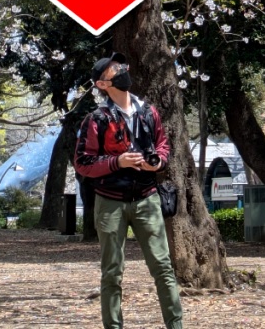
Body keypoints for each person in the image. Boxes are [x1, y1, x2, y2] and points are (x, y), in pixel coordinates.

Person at [74, 52, 184, 329]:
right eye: (114, 70)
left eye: (122, 66)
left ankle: (176, 325)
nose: (122, 71)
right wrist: (117, 162)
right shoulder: (97, 119)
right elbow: (83, 162)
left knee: (163, 267)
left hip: (147, 198)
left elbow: (163, 146)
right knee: (112, 272)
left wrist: (157, 162)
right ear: (102, 84)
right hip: (110, 202)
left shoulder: (149, 111)